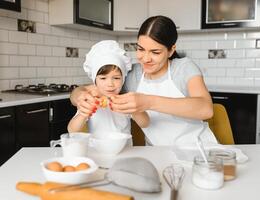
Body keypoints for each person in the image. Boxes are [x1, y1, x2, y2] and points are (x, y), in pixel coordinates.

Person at [70, 16, 218, 146]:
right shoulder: (132, 74)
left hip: (198, 148)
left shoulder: (183, 67)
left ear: (171, 50)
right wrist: (79, 97)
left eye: (155, 52)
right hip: (157, 151)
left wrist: (149, 102)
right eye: (141, 49)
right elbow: (94, 88)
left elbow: (206, 109)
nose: (145, 59)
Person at [68, 40, 149, 140]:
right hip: (97, 151)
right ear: (95, 81)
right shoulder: (90, 102)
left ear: (123, 79)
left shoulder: (125, 100)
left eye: (116, 78)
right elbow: (72, 130)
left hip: (124, 150)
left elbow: (145, 123)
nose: (110, 84)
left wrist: (135, 110)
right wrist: (83, 114)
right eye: (103, 78)